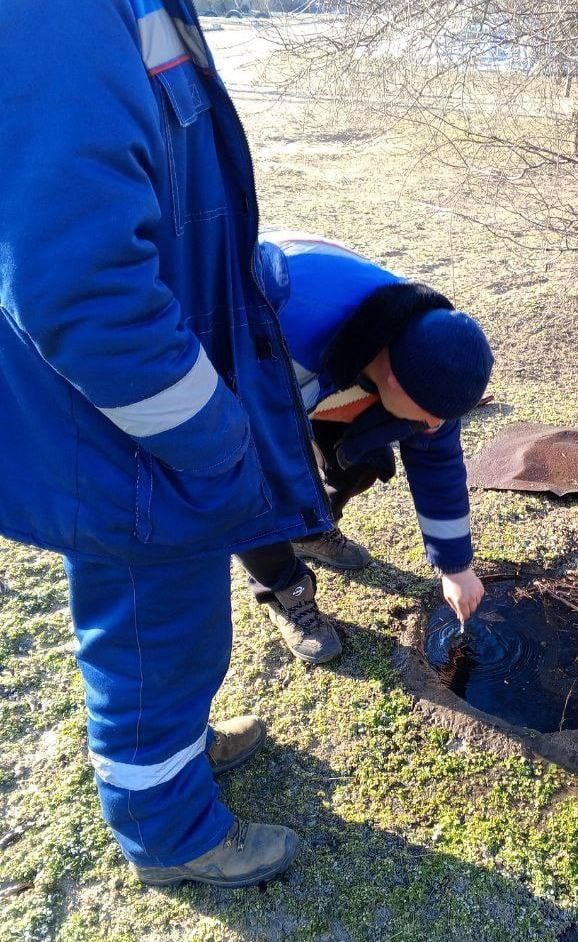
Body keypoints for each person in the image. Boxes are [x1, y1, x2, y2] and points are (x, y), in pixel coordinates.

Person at [0, 1, 337, 887]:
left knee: (168, 630)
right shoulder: (54, 14)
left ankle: (175, 753)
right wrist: (214, 434)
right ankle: (170, 834)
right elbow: (81, 290)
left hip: (140, 416)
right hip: (134, 432)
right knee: (154, 639)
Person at [238, 231, 494, 664]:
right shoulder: (280, 324)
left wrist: (456, 565)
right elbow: (239, 457)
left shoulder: (426, 349)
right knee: (255, 496)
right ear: (395, 380)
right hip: (255, 368)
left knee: (363, 460)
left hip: (328, 374)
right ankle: (284, 590)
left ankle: (311, 530)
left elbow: (437, 457)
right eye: (430, 413)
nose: (433, 424)